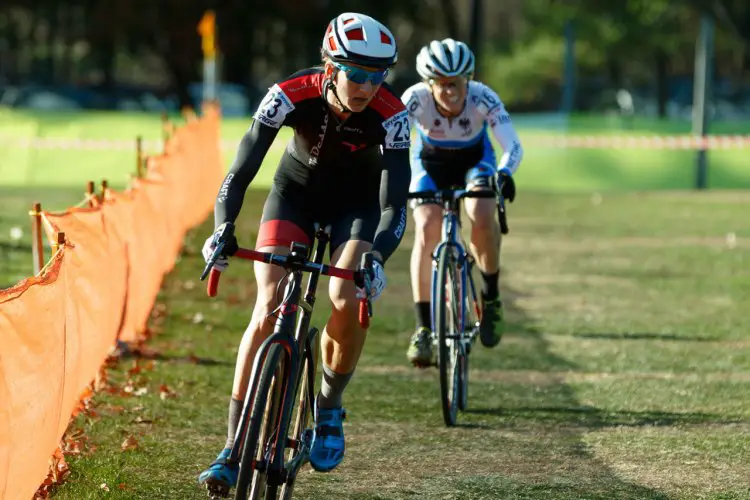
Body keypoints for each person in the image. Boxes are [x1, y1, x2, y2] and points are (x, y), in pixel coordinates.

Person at [197, 12, 411, 495]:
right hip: (293, 194)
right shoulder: (290, 94)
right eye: (354, 73)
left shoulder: (392, 114)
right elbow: (241, 169)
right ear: (329, 66)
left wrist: (376, 256)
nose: (364, 86)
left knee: (344, 292)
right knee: (268, 305)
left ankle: (330, 406)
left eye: (376, 76)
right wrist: (222, 229)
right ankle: (233, 447)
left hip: (354, 209)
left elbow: (394, 203)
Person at [401, 38, 523, 367]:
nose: (451, 92)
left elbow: (513, 146)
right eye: (442, 85)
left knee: (480, 212)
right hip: (429, 164)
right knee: (427, 225)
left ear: (466, 80)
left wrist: (505, 173)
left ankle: (492, 294)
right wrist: (390, 177)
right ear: (429, 84)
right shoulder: (414, 99)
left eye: (456, 84)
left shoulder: (483, 97)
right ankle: (424, 327)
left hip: (476, 162)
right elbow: (391, 141)